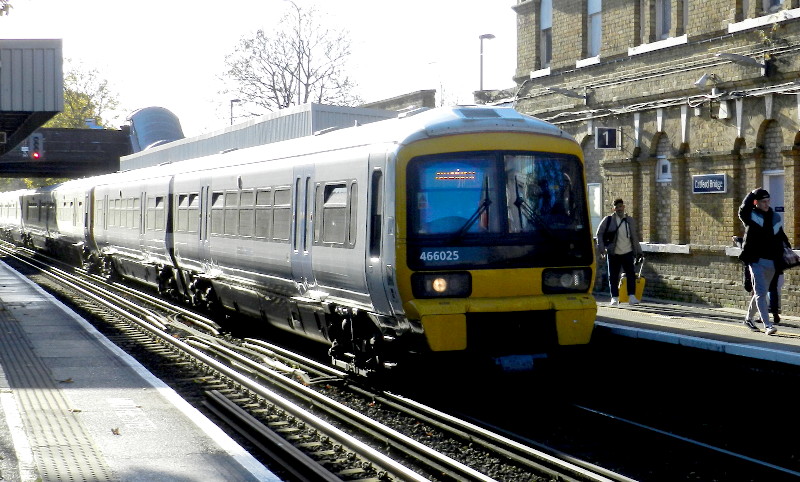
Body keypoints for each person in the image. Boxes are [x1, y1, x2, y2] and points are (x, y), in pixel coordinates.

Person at [738, 187, 789, 336]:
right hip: (756, 260)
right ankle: (768, 325)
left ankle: (748, 319)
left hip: (772, 261)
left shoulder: (775, 217)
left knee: (762, 291)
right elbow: (742, 211)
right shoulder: (751, 216)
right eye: (763, 202)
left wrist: (789, 250)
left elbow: (781, 236)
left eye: (768, 201)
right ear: (756, 202)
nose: (767, 204)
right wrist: (752, 193)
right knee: (761, 292)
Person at [596, 198, 644, 306]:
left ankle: (631, 296)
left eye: (621, 206)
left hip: (628, 251)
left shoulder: (630, 220)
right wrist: (602, 249)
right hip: (614, 252)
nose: (619, 209)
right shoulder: (608, 220)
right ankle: (614, 297)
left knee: (630, 274)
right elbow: (599, 233)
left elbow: (634, 237)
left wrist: (639, 252)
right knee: (613, 275)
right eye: (617, 207)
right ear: (613, 209)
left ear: (624, 207)